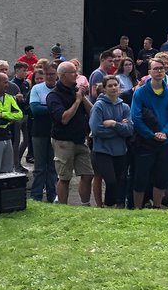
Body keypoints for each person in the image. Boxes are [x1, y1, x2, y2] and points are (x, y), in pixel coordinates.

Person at [131, 58, 168, 210]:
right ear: (149, 72)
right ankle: (138, 208)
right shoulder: (140, 93)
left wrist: (164, 133)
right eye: (156, 68)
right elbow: (136, 118)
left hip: (163, 142)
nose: (159, 71)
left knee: (162, 177)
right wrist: (151, 134)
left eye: (162, 68)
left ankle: (157, 207)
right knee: (140, 177)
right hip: (144, 142)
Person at [48, 61, 93, 205]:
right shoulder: (54, 95)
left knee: (88, 174)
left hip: (80, 139)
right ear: (62, 76)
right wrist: (77, 101)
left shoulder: (76, 90)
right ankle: (63, 205)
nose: (76, 75)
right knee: (65, 177)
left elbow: (92, 111)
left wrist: (82, 97)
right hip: (63, 141)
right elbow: (64, 119)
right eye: (73, 72)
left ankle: (85, 204)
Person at [89, 75, 135, 208]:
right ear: (104, 88)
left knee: (120, 181)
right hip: (102, 150)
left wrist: (115, 124)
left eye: (116, 85)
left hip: (120, 151)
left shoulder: (125, 107)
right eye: (110, 85)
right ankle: (107, 205)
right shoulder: (99, 106)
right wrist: (120, 130)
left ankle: (112, 206)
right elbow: (97, 129)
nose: (114, 88)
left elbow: (130, 129)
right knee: (111, 181)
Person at [29, 62, 59, 203]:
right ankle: (36, 195)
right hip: (39, 131)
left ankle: (52, 195)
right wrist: (54, 109)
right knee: (39, 166)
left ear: (57, 75)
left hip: (56, 132)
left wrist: (46, 107)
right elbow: (35, 109)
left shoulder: (60, 89)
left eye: (52, 74)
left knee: (53, 167)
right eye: (47, 74)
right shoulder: (37, 88)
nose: (49, 77)